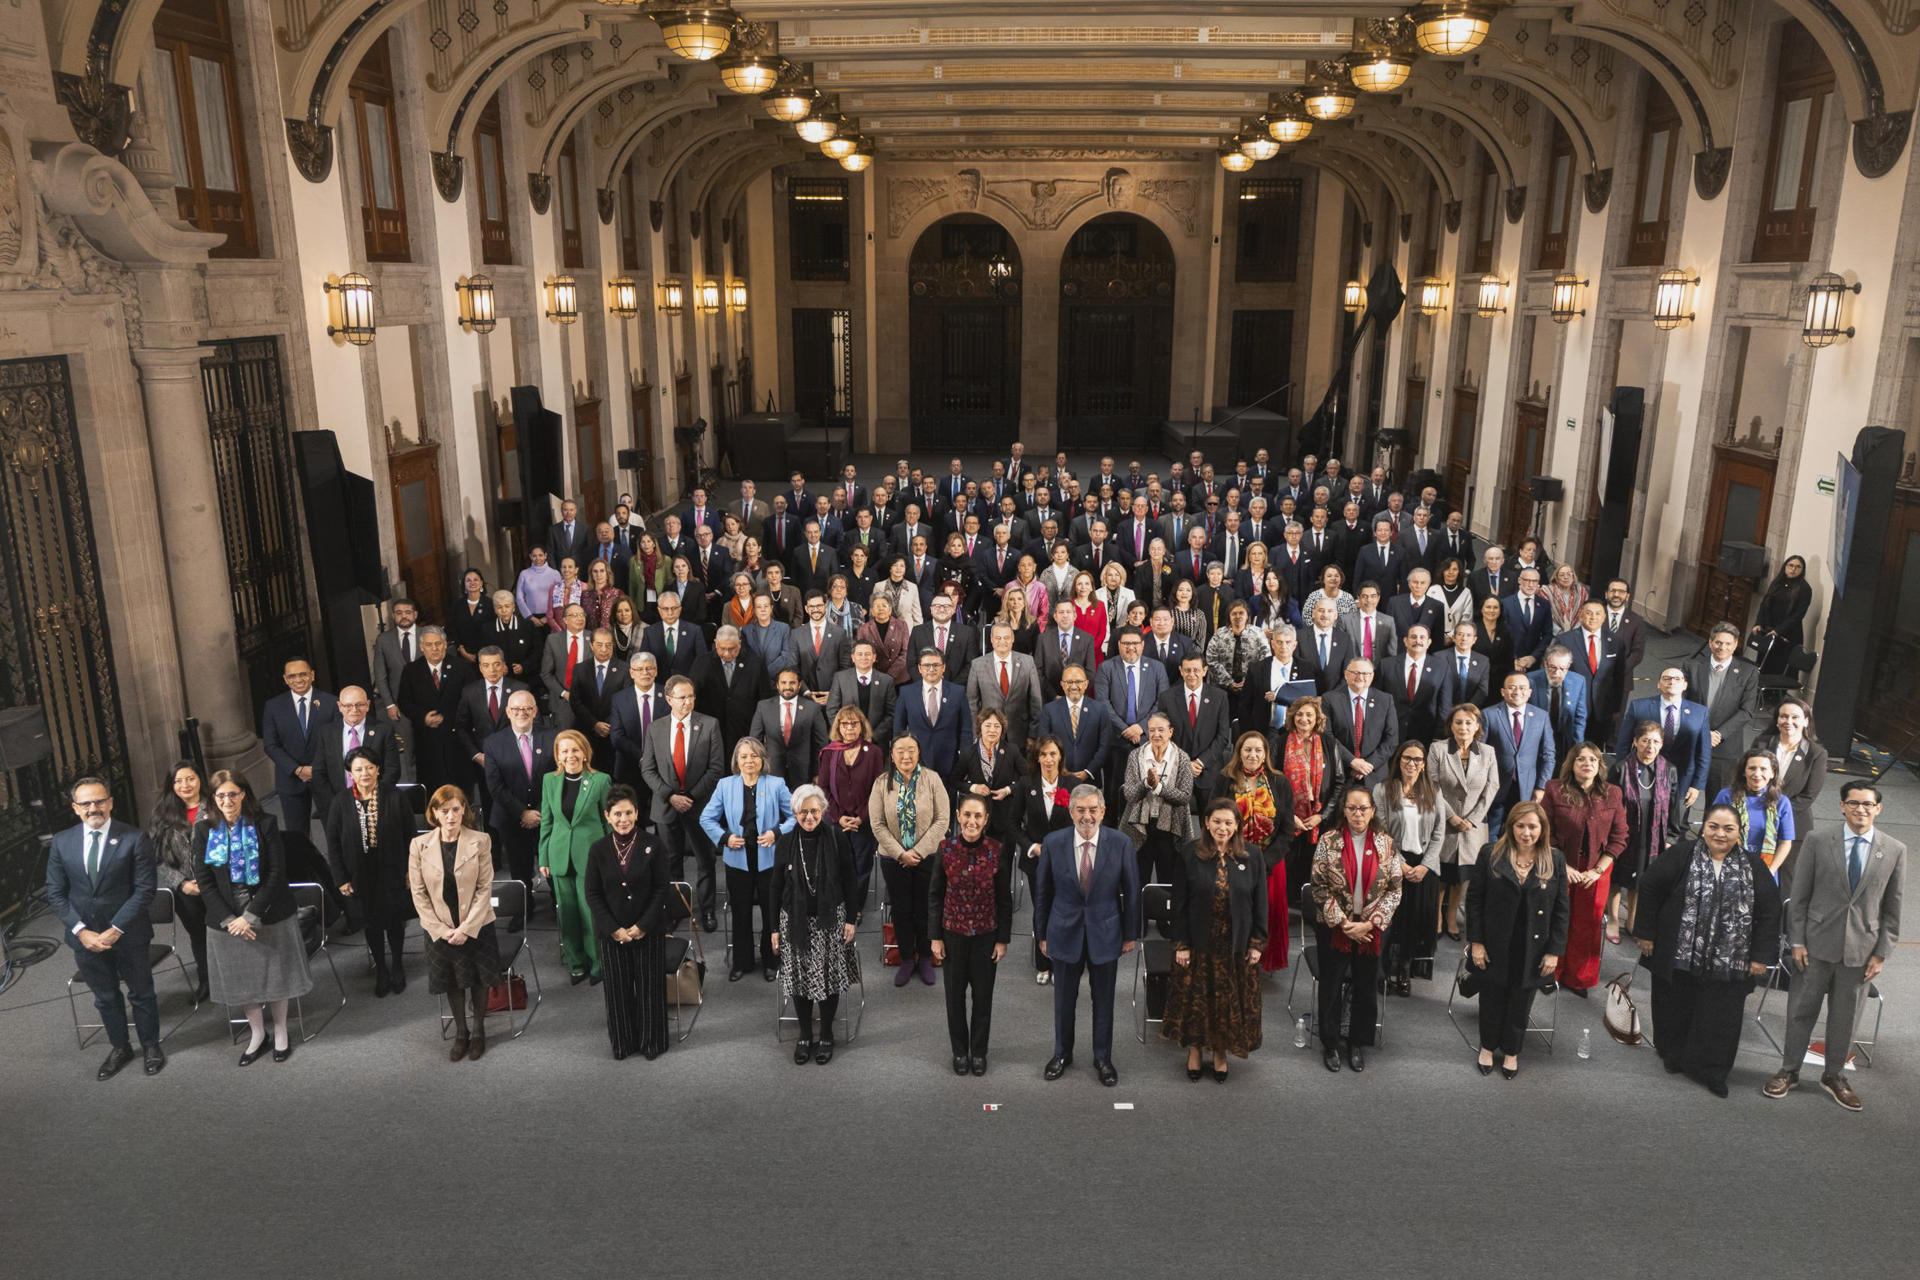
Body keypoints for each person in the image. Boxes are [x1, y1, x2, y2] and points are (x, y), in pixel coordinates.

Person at [1765, 781, 1906, 1110]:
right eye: (1854, 803)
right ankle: (1789, 1071)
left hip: (1861, 952)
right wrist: (1796, 941)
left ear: (1878, 809)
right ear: (1842, 806)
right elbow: (1798, 898)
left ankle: (1834, 1075)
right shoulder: (1817, 841)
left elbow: (1893, 909)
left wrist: (1881, 953)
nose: (1861, 810)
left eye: (1868, 805)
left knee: (1846, 1018)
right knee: (1801, 1011)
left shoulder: (1895, 850)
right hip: (1813, 947)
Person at [1634, 803, 1782, 1097]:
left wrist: (1760, 956)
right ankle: (1674, 1057)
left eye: (1728, 828)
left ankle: (1711, 1071)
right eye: (1714, 826)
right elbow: (1650, 888)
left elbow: (1770, 911)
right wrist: (1646, 934)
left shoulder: (1754, 866)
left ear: (1739, 832)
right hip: (1679, 954)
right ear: (1704, 827)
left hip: (1731, 961)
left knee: (1721, 1018)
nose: (1720, 834)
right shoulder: (1681, 854)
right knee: (1675, 1006)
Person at [47, 777, 165, 1079]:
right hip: (86, 939)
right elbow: (56, 893)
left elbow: (144, 890)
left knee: (141, 993)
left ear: (110, 802)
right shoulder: (62, 842)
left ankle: (151, 1046)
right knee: (106, 997)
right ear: (75, 808)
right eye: (85, 803)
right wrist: (80, 931)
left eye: (99, 801)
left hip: (128, 934)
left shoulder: (135, 838)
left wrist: (116, 929)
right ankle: (120, 1047)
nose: (93, 808)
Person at [195, 771, 312, 1065]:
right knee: (241, 980)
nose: (227, 801)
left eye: (232, 794)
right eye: (220, 796)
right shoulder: (203, 829)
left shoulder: (265, 823)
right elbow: (204, 881)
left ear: (244, 794)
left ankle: (282, 1031)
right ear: (213, 799)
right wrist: (231, 920)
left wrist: (251, 916)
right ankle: (258, 1034)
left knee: (276, 977)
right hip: (227, 920)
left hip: (268, 912)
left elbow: (276, 873)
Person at [1036, 784, 1140, 1087]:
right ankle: (1061, 1055)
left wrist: (1130, 934)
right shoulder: (1053, 842)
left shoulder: (1121, 843)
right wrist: (1042, 934)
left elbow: (1132, 893)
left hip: (1106, 933)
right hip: (1063, 932)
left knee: (1104, 1001)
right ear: (1071, 812)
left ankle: (1103, 1058)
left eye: (1093, 809)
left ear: (1103, 812)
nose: (1087, 816)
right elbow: (1042, 893)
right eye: (1080, 810)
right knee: (1063, 1001)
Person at [1463, 800, 1568, 1079]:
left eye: (1532, 826)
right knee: (1492, 997)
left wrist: (1554, 951)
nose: (1526, 832)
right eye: (1520, 826)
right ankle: (1487, 1047)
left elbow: (1561, 910)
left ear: (1542, 828)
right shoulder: (1491, 854)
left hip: (1533, 947)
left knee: (1521, 1002)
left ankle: (1511, 1051)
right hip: (1494, 943)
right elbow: (1474, 901)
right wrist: (1476, 942)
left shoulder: (1554, 859)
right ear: (1510, 827)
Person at [1165, 798, 1267, 1081]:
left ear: (1237, 827)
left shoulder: (1252, 856)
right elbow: (1180, 905)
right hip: (1199, 943)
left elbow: (1261, 904)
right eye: (1217, 822)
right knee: (1198, 999)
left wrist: (1257, 943)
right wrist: (1181, 944)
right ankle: (1195, 1051)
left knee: (1225, 1002)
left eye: (1228, 823)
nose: (1222, 828)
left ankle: (1220, 1052)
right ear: (1206, 823)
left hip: (1236, 945)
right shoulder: (1189, 853)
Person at [1310, 785, 1403, 1073]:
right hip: (1336, 927)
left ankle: (1357, 1043)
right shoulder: (1328, 841)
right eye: (1352, 807)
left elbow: (1395, 890)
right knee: (1331, 985)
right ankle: (1330, 1042)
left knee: (1365, 987)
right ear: (1344, 810)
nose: (1357, 813)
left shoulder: (1386, 844)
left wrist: (1370, 923)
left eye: (1363, 808)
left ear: (1372, 811)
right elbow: (1319, 886)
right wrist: (1344, 923)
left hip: (1370, 930)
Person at [407, 786, 502, 1062]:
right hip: (440, 928)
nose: (451, 816)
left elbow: (485, 888)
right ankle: (461, 1033)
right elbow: (418, 893)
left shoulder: (481, 840)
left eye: (456, 809)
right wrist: (442, 929)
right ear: (434, 813)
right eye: (444, 810)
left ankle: (479, 1031)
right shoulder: (419, 845)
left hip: (477, 925)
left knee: (479, 980)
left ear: (464, 811)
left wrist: (466, 928)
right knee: (453, 981)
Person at [771, 785, 862, 1066]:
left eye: (814, 811)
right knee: (800, 979)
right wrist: (774, 928)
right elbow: (775, 887)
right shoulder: (786, 841)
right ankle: (804, 1034)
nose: (809, 817)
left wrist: (851, 919)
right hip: (794, 920)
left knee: (828, 977)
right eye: (803, 812)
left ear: (823, 811)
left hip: (830, 919)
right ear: (795, 813)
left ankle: (825, 1034)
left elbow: (850, 878)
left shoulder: (835, 836)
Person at [582, 783, 671, 1061]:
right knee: (617, 991)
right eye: (617, 814)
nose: (624, 820)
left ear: (637, 813)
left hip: (648, 929)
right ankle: (623, 1043)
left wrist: (643, 926)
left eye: (629, 813)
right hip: (613, 933)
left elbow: (661, 888)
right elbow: (593, 894)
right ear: (607, 816)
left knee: (649, 989)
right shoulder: (598, 850)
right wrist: (614, 930)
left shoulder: (653, 845)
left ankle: (651, 1042)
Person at [929, 794, 1015, 1076]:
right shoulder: (946, 848)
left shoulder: (997, 850)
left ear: (986, 820)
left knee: (983, 998)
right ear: (958, 815)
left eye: (978, 816)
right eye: (967, 815)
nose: (972, 821)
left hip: (985, 937)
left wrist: (1002, 939)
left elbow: (1004, 899)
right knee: (954, 999)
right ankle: (959, 1051)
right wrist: (935, 937)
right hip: (952, 934)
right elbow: (935, 896)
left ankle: (978, 1052)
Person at [323, 746, 420, 996]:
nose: (364, 773)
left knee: (395, 921)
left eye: (369, 767)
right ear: (350, 774)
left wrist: (411, 870)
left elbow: (412, 836)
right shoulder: (340, 802)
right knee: (372, 923)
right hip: (359, 874)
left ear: (378, 770)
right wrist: (340, 878)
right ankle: (381, 970)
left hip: (394, 869)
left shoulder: (395, 796)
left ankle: (397, 965)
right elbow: (332, 843)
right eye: (358, 769)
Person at [700, 736, 795, 982]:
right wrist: (724, 837)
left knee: (770, 912)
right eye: (744, 756)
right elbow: (706, 818)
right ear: (736, 761)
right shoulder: (725, 785)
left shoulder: (776, 784)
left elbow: (796, 816)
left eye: (754, 755)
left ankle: (771, 960)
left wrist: (776, 832)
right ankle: (741, 962)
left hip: (770, 859)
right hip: (737, 859)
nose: (749, 760)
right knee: (740, 912)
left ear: (762, 759)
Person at [641, 676, 726, 933]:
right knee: (670, 861)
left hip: (699, 806)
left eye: (691, 696)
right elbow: (647, 769)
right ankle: (677, 909)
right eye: (682, 697)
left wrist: (690, 797)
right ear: (668, 700)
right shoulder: (655, 728)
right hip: (666, 806)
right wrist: (671, 796)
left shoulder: (710, 725)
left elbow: (716, 768)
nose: (688, 701)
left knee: (705, 859)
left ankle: (708, 909)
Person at [1540, 743, 1628, 992]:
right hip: (1560, 864)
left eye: (1593, 759)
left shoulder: (1613, 793)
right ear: (1572, 764)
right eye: (1581, 759)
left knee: (1587, 924)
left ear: (1600, 765)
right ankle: (1550, 973)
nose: (1587, 763)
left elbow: (1620, 836)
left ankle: (1579, 978)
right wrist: (1563, 866)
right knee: (1557, 919)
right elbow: (1546, 831)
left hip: (1597, 868)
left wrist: (1598, 870)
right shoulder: (1554, 789)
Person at [871, 733, 950, 987]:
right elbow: (877, 823)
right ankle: (906, 958)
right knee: (902, 909)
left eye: (911, 750)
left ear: (919, 753)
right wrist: (900, 853)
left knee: (925, 908)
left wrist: (918, 851)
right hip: (893, 858)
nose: (906, 756)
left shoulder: (932, 779)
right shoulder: (882, 783)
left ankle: (925, 957)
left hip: (927, 857)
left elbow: (943, 819)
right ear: (892, 756)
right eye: (900, 751)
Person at [1213, 731, 1294, 974]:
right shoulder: (1224, 779)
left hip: (1269, 861)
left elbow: (1287, 830)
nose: (1252, 755)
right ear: (1238, 752)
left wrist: (1264, 861)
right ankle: (1231, 959)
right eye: (1247, 750)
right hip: (1230, 858)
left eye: (1258, 750)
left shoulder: (1280, 782)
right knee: (1230, 910)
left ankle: (1260, 962)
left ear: (1266, 755)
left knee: (1265, 911)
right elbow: (1214, 820)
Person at [1374, 741, 1449, 996]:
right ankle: (1382, 970)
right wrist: (1400, 863)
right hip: (1393, 863)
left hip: (1423, 867)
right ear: (1399, 760)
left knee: (1414, 923)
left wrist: (1426, 865)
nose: (1412, 764)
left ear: (1424, 764)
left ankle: (1403, 971)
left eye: (1417, 760)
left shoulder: (1433, 791)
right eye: (1407, 758)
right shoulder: (1383, 790)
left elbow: (1439, 832)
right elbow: (1380, 832)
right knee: (1390, 921)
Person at [539, 729, 610, 985]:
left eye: (575, 750)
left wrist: (610, 856)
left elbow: (608, 822)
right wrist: (543, 857)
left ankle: (597, 963)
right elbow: (546, 821)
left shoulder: (601, 780)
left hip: (591, 856)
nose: (570, 755)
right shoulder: (549, 780)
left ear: (585, 752)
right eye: (565, 751)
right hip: (559, 856)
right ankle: (575, 962)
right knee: (566, 913)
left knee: (590, 911)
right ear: (558, 755)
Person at [1432, 702, 1497, 942]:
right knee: (1441, 874)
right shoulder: (1438, 749)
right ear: (1451, 725)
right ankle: (1436, 918)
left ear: (1477, 725)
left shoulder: (1488, 752)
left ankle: (1451, 918)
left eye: (1469, 722)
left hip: (1473, 827)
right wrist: (1451, 817)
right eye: (1458, 722)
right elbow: (1433, 785)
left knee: (1462, 876)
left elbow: (1492, 787)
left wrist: (1472, 820)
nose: (1463, 727)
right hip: (1444, 822)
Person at [147, 762, 211, 1001]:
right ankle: (206, 980)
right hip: (185, 888)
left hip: (216, 883)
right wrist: (182, 883)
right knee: (198, 934)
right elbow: (157, 858)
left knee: (226, 930)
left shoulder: (215, 806)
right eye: (178, 781)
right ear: (171, 785)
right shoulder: (162, 815)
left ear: (200, 779)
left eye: (190, 778)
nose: (185, 785)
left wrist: (208, 881)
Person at [1611, 720, 1678, 938]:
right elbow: (1608, 805)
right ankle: (1612, 919)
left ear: (1661, 744)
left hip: (1653, 836)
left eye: (1655, 741)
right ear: (1635, 742)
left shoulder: (1669, 770)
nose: (1650, 746)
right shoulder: (1620, 769)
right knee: (1617, 877)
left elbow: (1675, 805)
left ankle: (1632, 920)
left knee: (1642, 879)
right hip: (1624, 834)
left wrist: (1670, 836)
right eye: (1645, 740)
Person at [817, 705, 887, 908]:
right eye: (844, 724)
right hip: (836, 821)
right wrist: (838, 817)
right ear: (838, 727)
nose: (849, 728)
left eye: (854, 723)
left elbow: (877, 789)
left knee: (861, 866)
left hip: (863, 821)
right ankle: (839, 905)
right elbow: (822, 789)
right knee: (836, 865)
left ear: (861, 726)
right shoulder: (830, 752)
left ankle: (855, 908)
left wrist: (860, 817)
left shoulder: (873, 752)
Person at [1752, 695, 1828, 878]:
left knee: (1785, 880)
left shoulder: (1817, 753)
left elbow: (1808, 796)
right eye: (1783, 716)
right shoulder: (1762, 743)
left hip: (1792, 824)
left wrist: (1776, 814)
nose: (1789, 721)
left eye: (1795, 717)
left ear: (1806, 721)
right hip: (1755, 820)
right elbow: (1748, 777)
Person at [261, 655, 336, 837]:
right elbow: (271, 745)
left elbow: (337, 741)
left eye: (303, 674)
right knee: (297, 836)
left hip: (326, 777)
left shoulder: (331, 703)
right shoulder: (273, 707)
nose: (298, 680)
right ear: (285, 680)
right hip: (291, 780)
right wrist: (297, 769)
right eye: (292, 676)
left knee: (336, 831)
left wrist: (316, 768)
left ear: (312, 675)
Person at [1121, 712, 1197, 889]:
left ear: (1171, 732)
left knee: (1167, 883)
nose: (1156, 735)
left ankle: (1165, 917)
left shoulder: (1182, 758)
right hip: (1139, 826)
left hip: (1170, 828)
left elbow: (1185, 796)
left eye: (1161, 730)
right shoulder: (1135, 756)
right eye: (1152, 730)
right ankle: (1139, 917)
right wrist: (1146, 783)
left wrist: (1159, 787)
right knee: (1138, 882)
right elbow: (1130, 795)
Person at [1277, 696, 1337, 908]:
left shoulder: (1328, 743)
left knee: (1315, 865)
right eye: (1300, 714)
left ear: (1317, 718)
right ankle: (1290, 905)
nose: (1304, 719)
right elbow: (1272, 783)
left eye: (1309, 715)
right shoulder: (1281, 741)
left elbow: (1339, 782)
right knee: (1290, 864)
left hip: (1319, 818)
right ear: (1292, 717)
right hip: (1289, 817)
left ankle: (1311, 907)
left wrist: (1322, 816)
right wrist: (1288, 815)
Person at [1716, 749, 1795, 878]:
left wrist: (1770, 872)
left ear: (1772, 773)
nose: (1757, 774)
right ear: (1743, 772)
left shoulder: (1782, 803)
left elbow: (1785, 843)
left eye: (1763, 769)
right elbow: (1711, 833)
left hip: (1765, 872)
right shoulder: (1726, 796)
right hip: (1726, 871)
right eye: (1752, 768)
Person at [1749, 554, 1811, 675]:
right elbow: (1764, 604)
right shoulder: (1777, 582)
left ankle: (1774, 694)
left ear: (1802, 570)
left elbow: (1798, 615)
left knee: (1779, 669)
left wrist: (1778, 631)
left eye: (1798, 567)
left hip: (1787, 634)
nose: (1793, 569)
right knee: (1763, 666)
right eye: (1791, 565)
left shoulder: (1804, 588)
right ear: (1785, 566)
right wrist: (1758, 623)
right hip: (1768, 630)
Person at [855, 591, 912, 685]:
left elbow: (906, 653)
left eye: (884, 605)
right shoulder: (863, 629)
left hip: (899, 678)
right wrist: (878, 676)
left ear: (890, 609)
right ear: (872, 611)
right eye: (877, 606)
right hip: (875, 678)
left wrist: (889, 675)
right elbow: (862, 655)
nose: (881, 608)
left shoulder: (901, 625)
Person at [1541, 562, 1588, 633]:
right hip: (1552, 633)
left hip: (1575, 633)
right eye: (1562, 575)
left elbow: (1584, 613)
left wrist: (1574, 631)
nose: (1566, 577)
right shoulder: (1547, 592)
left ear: (1573, 576)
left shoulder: (1581, 592)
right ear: (1556, 577)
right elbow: (1545, 615)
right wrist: (1559, 632)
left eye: (1569, 574)